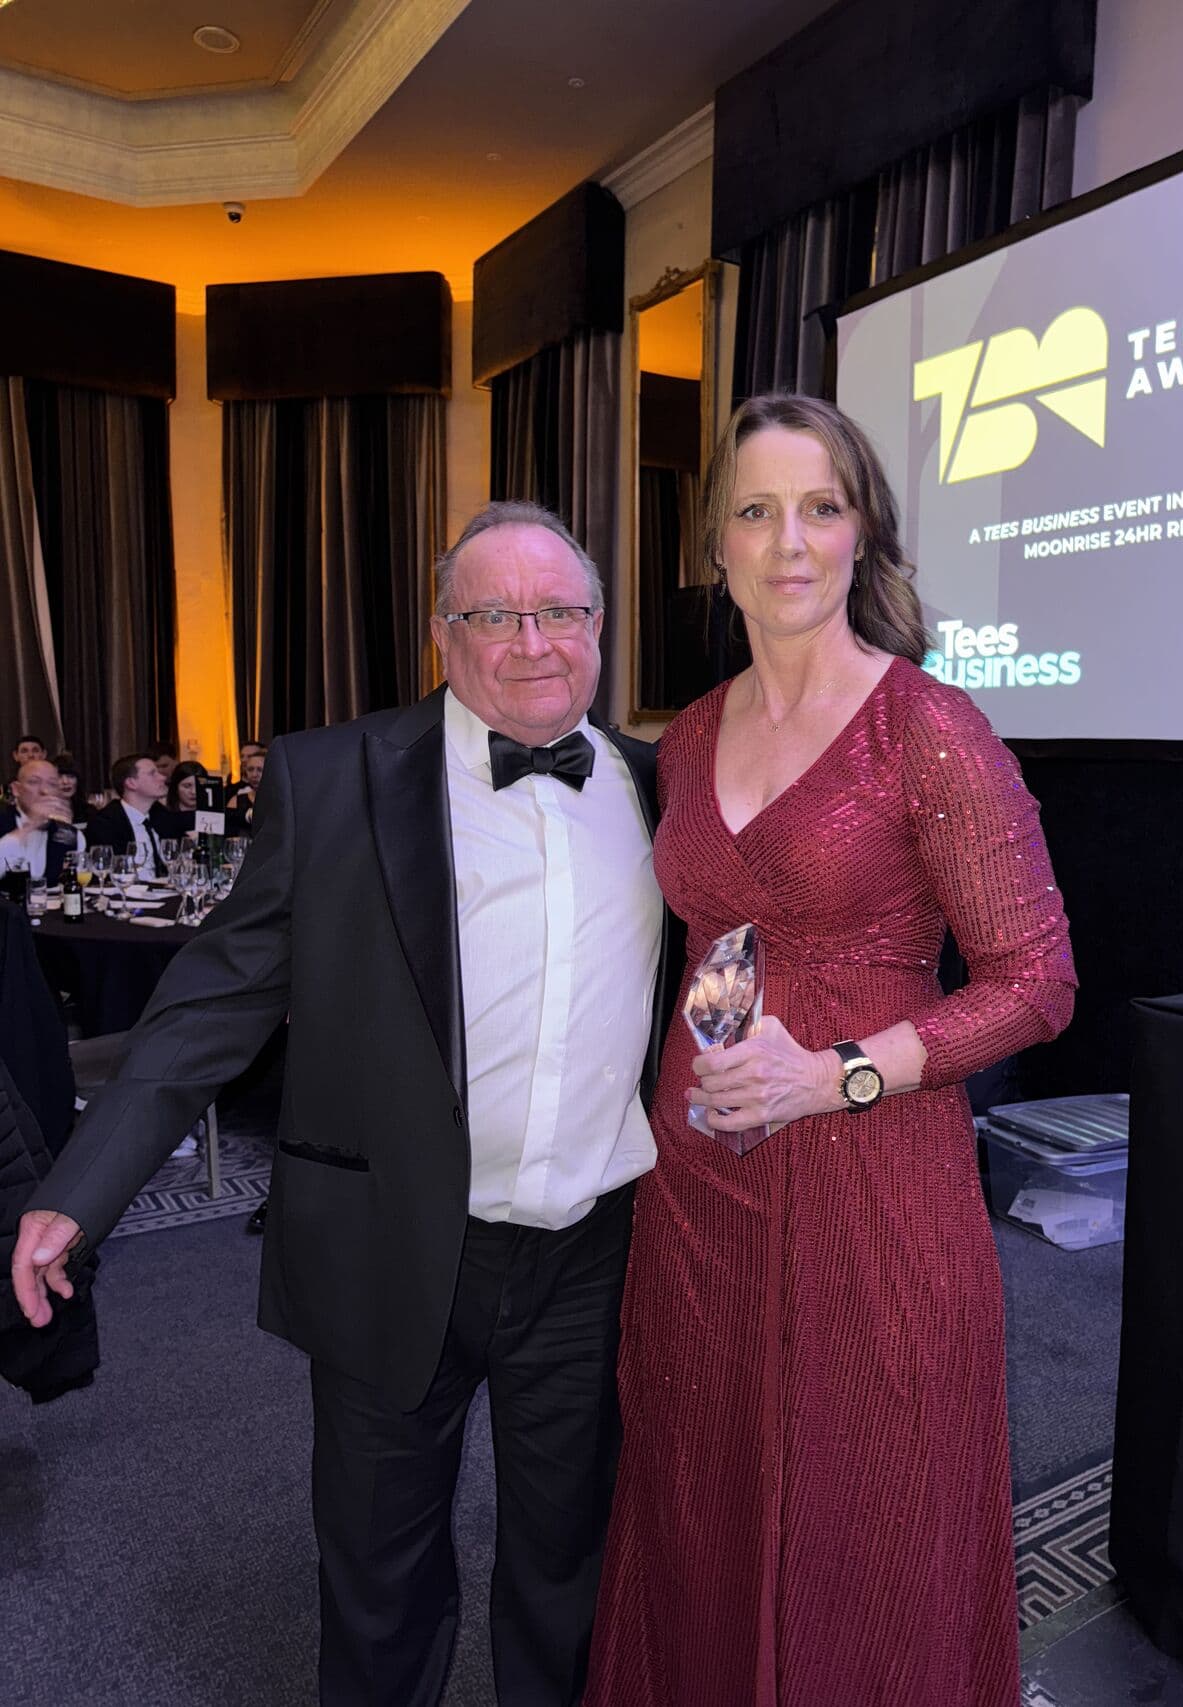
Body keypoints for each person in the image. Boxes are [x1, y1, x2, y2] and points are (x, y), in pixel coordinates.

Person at [13, 499, 680, 1707]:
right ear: (443, 635)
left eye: (564, 612)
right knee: (379, 1576)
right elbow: (212, 1002)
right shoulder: (333, 777)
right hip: (387, 1246)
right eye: (496, 615)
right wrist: (79, 1194)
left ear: (601, 626)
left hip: (593, 1255)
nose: (535, 641)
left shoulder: (656, 783)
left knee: (567, 1564)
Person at [584, 395, 1077, 1707]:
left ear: (863, 534)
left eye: (819, 506)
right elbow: (706, 947)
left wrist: (840, 1069)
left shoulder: (927, 727)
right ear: (716, 544)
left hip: (873, 1191)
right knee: (699, 1505)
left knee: (868, 1533)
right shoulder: (686, 736)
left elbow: (1038, 984)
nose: (785, 539)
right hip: (699, 1204)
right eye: (754, 508)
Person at [0, 759, 85, 882]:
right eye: (34, 782)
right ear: (16, 789)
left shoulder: (72, 836)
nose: (44, 791)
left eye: (52, 784)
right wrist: (29, 826)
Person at [88, 755, 171, 879]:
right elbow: (106, 872)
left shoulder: (163, 816)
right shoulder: (106, 823)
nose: (163, 777)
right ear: (131, 783)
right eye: (152, 773)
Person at [156, 759, 208, 838]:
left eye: (199, 786)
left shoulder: (213, 815)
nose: (193, 792)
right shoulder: (163, 815)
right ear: (175, 788)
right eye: (187, 786)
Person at [51, 753, 92, 829]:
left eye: (71, 776)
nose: (65, 782)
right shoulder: (42, 813)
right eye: (59, 777)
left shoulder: (89, 812)